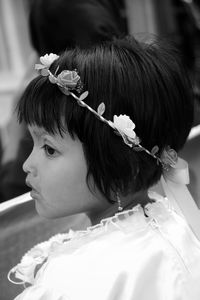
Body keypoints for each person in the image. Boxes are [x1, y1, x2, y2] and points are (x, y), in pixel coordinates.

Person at [8, 36, 200, 299]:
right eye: (33, 143)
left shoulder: (74, 281)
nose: (28, 165)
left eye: (50, 149)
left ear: (123, 166)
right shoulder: (179, 225)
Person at [0, 0, 127, 202]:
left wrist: (14, 139)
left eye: (50, 150)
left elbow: (12, 202)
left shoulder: (55, 112)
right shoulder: (135, 88)